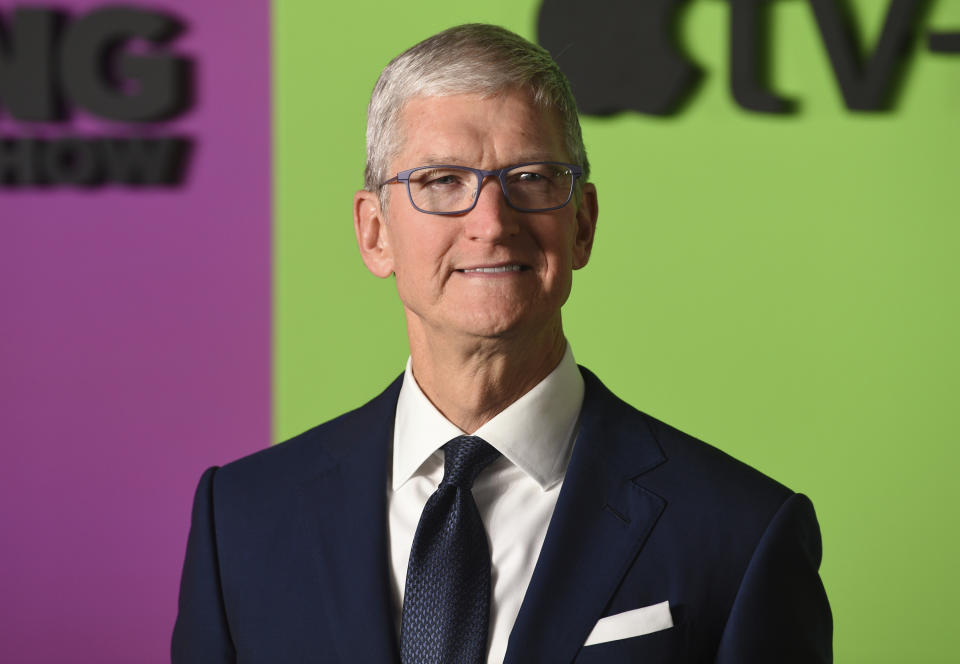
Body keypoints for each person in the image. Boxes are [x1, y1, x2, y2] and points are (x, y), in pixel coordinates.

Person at [172, 23, 832, 664]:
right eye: (441, 182)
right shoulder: (241, 521)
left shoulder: (741, 532)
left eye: (534, 178)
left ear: (583, 225)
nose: (491, 222)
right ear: (375, 233)